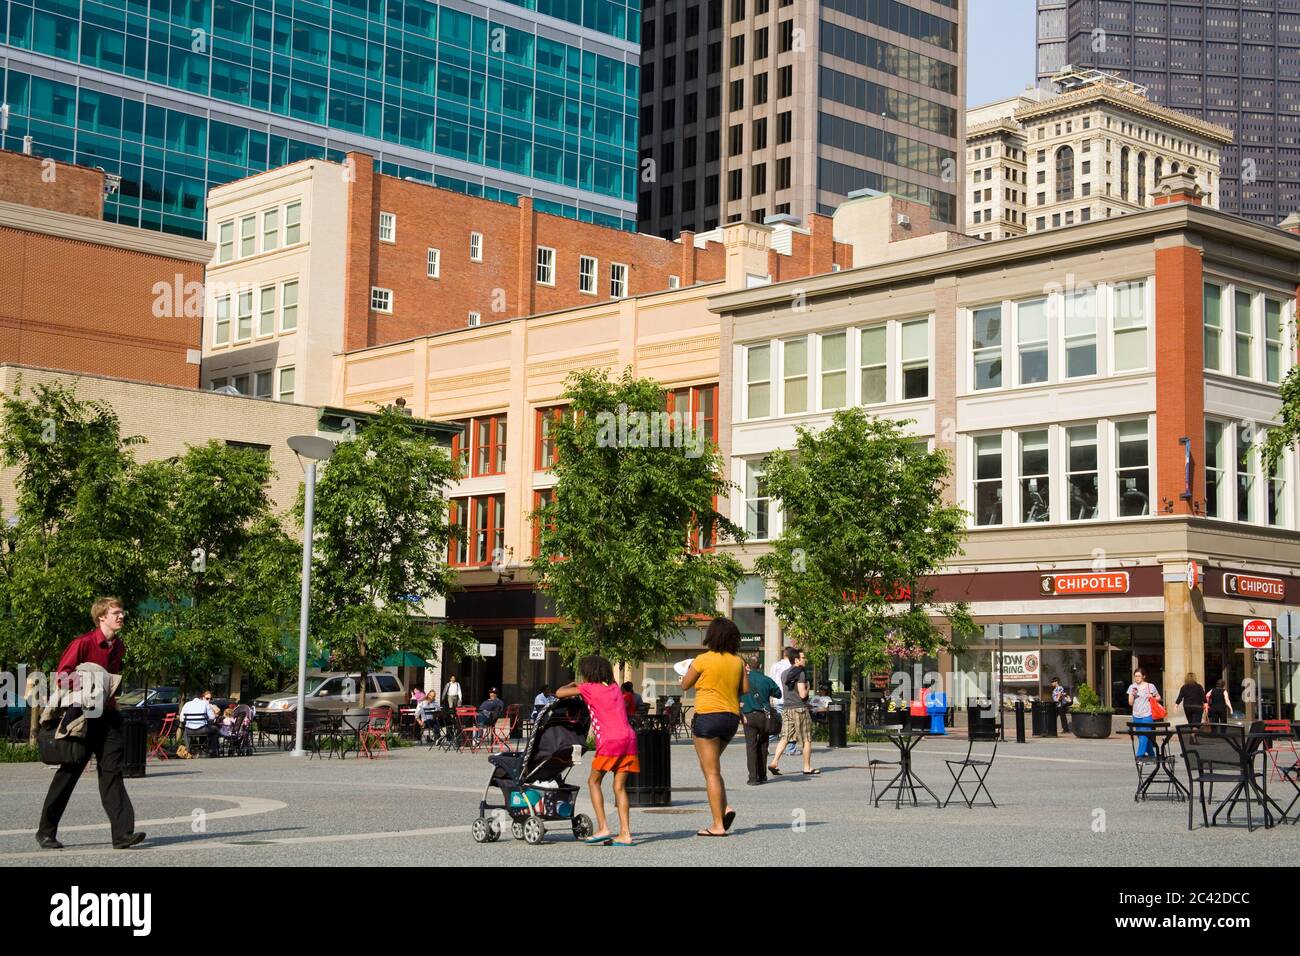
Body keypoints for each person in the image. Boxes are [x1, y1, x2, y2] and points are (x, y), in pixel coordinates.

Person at [36, 597, 144, 851]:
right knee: (69, 773)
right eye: (116, 612)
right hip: (84, 718)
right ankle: (46, 831)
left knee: (112, 774)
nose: (121, 616)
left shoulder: (119, 647)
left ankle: (122, 834)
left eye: (122, 612)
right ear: (101, 617)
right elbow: (62, 677)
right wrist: (88, 684)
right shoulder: (82, 643)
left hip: (108, 718)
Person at [556, 656, 637, 846]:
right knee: (619, 787)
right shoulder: (615, 688)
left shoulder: (589, 689)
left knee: (594, 781)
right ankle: (625, 834)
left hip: (610, 741)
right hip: (629, 740)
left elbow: (560, 693)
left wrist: (573, 683)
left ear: (588, 673)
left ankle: (604, 827)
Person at [682, 617, 748, 836]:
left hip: (708, 716)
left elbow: (684, 684)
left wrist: (698, 678)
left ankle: (718, 825)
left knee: (711, 771)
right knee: (710, 767)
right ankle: (725, 808)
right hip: (730, 718)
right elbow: (744, 689)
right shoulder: (737, 661)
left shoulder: (702, 659)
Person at [770, 648, 817, 776]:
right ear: (796, 660)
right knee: (807, 739)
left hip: (787, 707)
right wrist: (808, 688)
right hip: (799, 708)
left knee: (784, 737)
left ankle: (774, 762)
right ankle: (807, 767)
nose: (805, 660)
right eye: (803, 658)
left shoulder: (784, 673)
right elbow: (802, 694)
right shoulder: (800, 673)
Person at [740, 655, 781, 786]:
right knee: (763, 744)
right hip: (764, 715)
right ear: (760, 666)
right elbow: (778, 693)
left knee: (750, 746)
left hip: (748, 715)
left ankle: (752, 777)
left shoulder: (742, 681)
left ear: (747, 666)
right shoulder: (766, 680)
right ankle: (763, 775)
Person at [768, 645, 797, 756]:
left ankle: (765, 743)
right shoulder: (793, 666)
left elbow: (770, 682)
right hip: (791, 699)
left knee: (778, 725)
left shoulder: (775, 666)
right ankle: (790, 748)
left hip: (778, 699)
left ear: (784, 654)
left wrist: (771, 698)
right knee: (791, 725)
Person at [1126, 668, 1161, 758]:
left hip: (1147, 715)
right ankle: (1152, 755)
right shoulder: (1132, 687)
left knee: (1144, 736)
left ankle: (1140, 755)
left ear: (1143, 676)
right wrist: (1132, 695)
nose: (1137, 678)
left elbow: (1158, 698)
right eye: (1135, 676)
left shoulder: (1150, 686)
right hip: (1136, 715)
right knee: (1142, 736)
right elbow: (1130, 703)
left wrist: (1152, 697)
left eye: (1139, 676)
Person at [180, 689, 220, 756]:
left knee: (185, 732)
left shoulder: (187, 704)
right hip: (202, 729)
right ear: (201, 697)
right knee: (215, 729)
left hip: (189, 731)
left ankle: (189, 749)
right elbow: (212, 717)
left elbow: (181, 719)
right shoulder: (205, 703)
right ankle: (212, 750)